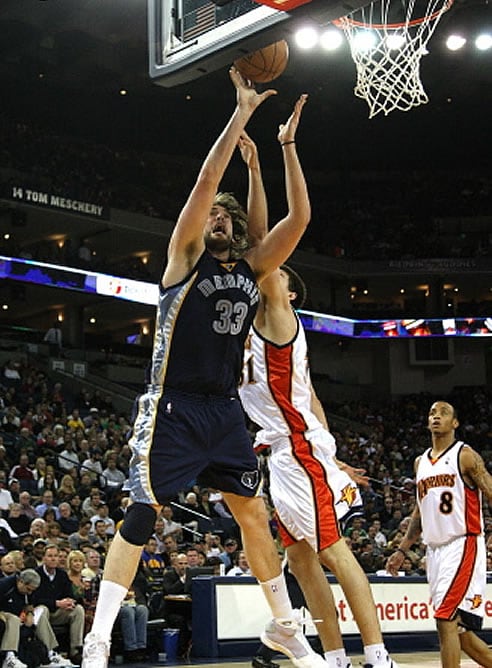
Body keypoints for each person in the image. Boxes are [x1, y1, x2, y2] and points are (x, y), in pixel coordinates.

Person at [82, 68, 319, 668]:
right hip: (172, 405)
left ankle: (286, 626)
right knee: (142, 511)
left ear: (237, 229)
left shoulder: (252, 270)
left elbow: (297, 223)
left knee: (253, 515)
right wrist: (240, 114)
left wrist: (283, 152)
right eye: (210, 214)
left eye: (225, 216)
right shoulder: (185, 259)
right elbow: (205, 179)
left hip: (222, 411)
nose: (215, 217)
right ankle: (100, 634)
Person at [237, 132, 398, 668]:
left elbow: (280, 229)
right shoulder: (251, 317)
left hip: (297, 449)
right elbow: (312, 398)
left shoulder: (276, 315)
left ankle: (377, 656)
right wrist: (254, 172)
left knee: (332, 551)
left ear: (289, 293)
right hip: (285, 452)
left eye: (278, 272)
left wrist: (284, 151)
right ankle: (332, 656)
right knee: (301, 560)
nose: (269, 269)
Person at [386, 400, 492, 668]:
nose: (436, 416)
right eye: (432, 412)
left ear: (455, 423)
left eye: (443, 413)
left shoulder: (465, 455)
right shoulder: (420, 462)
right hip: (434, 552)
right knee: (461, 634)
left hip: (463, 542)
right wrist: (401, 549)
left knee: (445, 618)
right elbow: (419, 511)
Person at [0, 568, 71, 667]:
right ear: (21, 582)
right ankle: (10, 657)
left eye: (32, 590)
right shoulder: (4, 585)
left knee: (42, 611)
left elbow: (30, 603)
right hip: (5, 615)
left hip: (21, 614)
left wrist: (30, 613)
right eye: (28, 589)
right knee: (14, 619)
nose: (30, 593)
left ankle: (50, 654)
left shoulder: (29, 591)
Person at [32, 543, 85, 665]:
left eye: (56, 556)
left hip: (58, 613)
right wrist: (56, 603)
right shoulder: (36, 574)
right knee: (43, 609)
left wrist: (69, 602)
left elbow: (69, 594)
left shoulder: (62, 574)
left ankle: (75, 650)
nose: (53, 559)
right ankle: (50, 650)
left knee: (78, 609)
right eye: (50, 556)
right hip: (42, 613)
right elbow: (33, 598)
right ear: (44, 558)